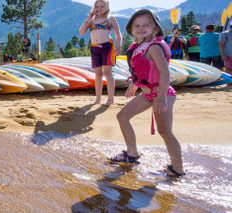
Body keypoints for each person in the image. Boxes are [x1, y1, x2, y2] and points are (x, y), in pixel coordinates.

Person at [109, 9, 185, 177]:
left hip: (162, 94)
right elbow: (144, 71)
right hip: (148, 94)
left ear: (155, 28)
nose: (141, 28)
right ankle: (132, 154)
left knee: (164, 131)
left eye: (146, 25)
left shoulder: (154, 47)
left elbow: (164, 73)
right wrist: (136, 84)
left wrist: (161, 97)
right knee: (122, 116)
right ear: (131, 29)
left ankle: (177, 169)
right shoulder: (138, 47)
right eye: (137, 25)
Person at [79, 0, 121, 105]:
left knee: (107, 72)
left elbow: (118, 34)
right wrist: (89, 18)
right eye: (97, 6)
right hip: (94, 48)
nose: (99, 8)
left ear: (107, 7)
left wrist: (119, 46)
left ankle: (110, 99)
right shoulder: (91, 20)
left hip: (107, 46)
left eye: (102, 6)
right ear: (94, 7)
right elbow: (81, 32)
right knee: (97, 73)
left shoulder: (111, 19)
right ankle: (98, 99)